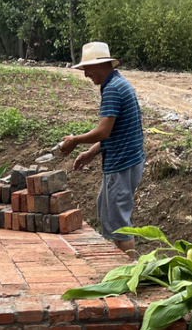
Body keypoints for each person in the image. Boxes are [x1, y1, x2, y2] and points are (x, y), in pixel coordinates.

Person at [59, 42, 144, 256]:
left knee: (119, 225)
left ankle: (129, 269)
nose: (86, 74)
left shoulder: (113, 89)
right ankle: (119, 263)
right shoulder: (118, 83)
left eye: (87, 68)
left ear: (100, 65)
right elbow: (115, 131)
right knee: (109, 215)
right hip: (125, 160)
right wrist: (91, 153)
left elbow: (104, 131)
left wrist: (75, 140)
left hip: (122, 163)